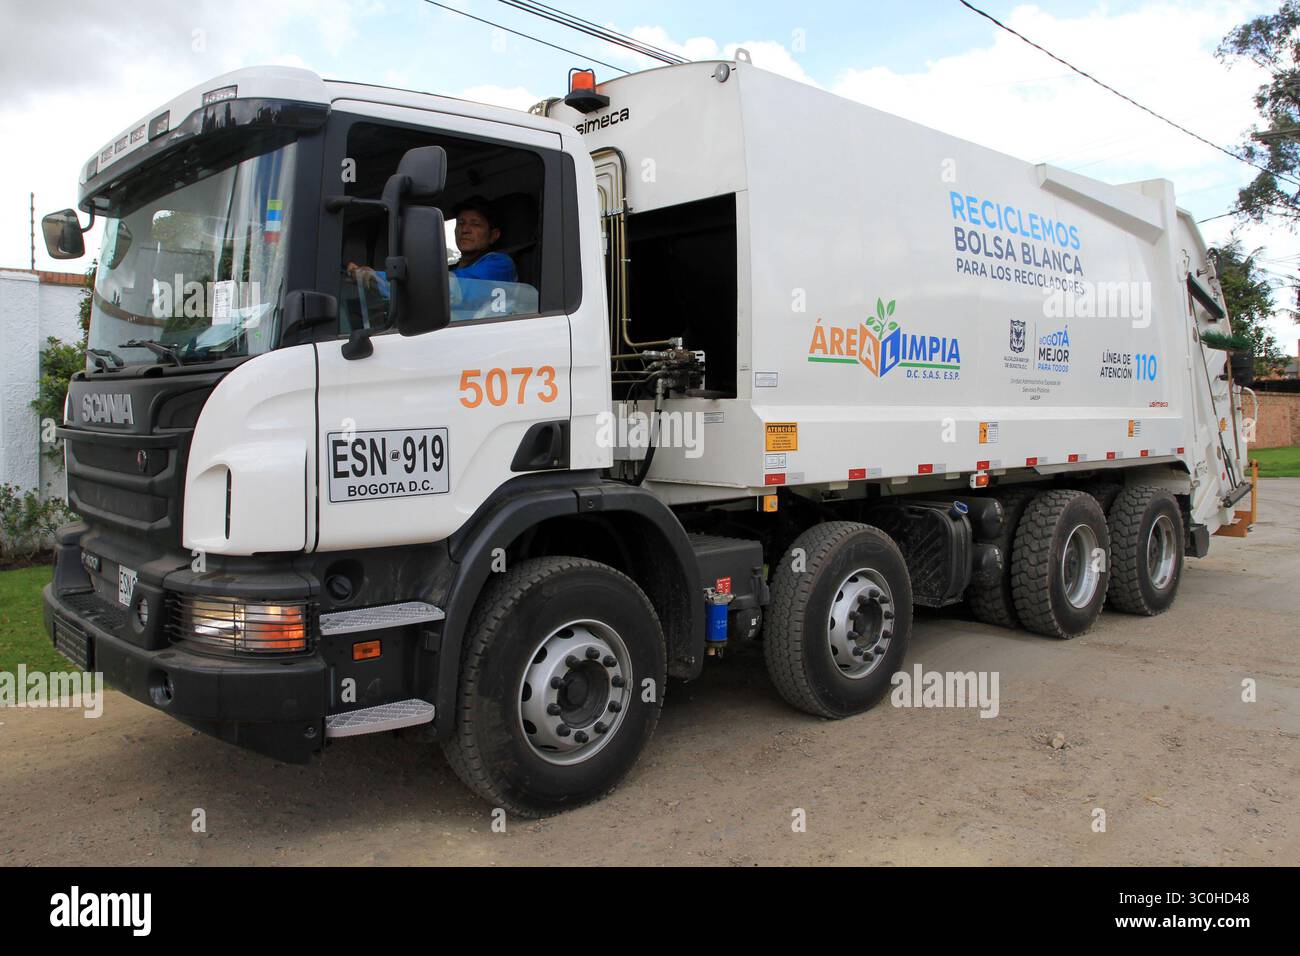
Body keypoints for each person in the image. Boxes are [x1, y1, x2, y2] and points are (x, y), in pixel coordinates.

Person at [346, 196, 516, 311]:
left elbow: (451, 288)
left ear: (494, 235)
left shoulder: (499, 264)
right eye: (461, 223)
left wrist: (378, 277)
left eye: (475, 224)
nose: (465, 229)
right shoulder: (454, 268)